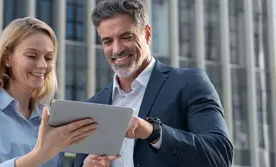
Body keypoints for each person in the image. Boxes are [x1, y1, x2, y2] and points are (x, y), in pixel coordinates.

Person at [74, 0, 234, 167]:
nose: (116, 49)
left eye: (126, 37)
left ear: (148, 34)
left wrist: (152, 131)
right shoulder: (93, 105)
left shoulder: (189, 83)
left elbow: (219, 155)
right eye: (107, 41)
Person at [0, 17, 98, 167]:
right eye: (31, 55)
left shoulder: (47, 118)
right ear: (7, 57)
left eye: (48, 58)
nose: (42, 65)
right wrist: (38, 156)